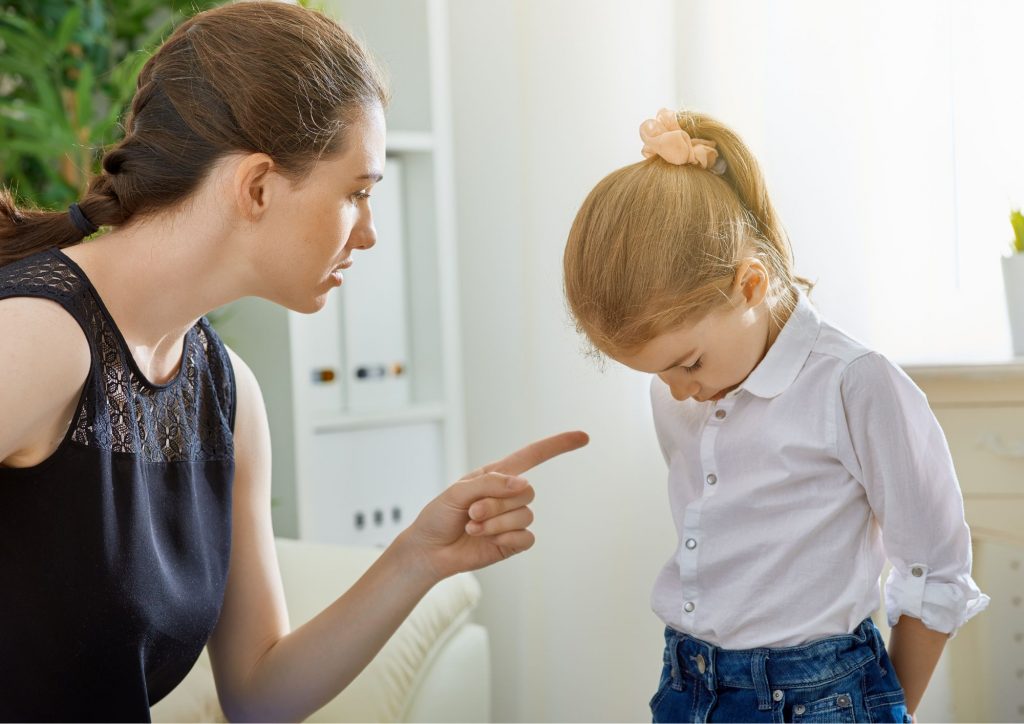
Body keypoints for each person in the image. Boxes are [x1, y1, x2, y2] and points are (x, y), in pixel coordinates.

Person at [0, 3, 588, 721]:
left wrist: (415, 558)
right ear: (256, 187)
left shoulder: (228, 396)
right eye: (357, 193)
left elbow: (259, 695)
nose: (369, 233)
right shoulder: (38, 337)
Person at [562, 108, 987, 723]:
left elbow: (935, 568)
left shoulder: (853, 383)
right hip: (688, 682)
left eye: (687, 363)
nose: (678, 392)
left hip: (820, 696)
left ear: (752, 285)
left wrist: (891, 710)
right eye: (657, 375)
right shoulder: (683, 394)